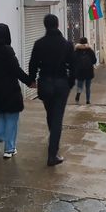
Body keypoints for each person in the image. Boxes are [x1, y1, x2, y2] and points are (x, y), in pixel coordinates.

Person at [28, 14, 75, 166]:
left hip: (45, 83)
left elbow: (33, 64)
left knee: (50, 114)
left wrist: (31, 80)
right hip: (61, 84)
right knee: (57, 119)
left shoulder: (39, 44)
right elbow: (73, 66)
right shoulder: (67, 44)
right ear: (58, 24)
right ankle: (52, 154)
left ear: (45, 25)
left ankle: (53, 143)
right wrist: (70, 83)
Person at [0, 23, 33, 159]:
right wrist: (29, 81)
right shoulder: (7, 51)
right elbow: (16, 70)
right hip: (10, 89)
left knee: (1, 114)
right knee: (12, 118)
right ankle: (9, 149)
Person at [74, 37, 97, 104]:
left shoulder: (77, 51)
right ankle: (88, 100)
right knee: (88, 87)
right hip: (88, 71)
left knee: (79, 86)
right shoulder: (90, 50)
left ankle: (78, 96)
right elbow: (94, 61)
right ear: (87, 42)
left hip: (80, 71)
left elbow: (73, 60)